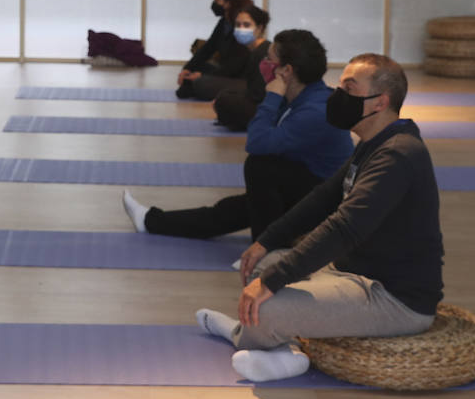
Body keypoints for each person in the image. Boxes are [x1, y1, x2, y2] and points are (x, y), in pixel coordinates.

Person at [196, 53, 443, 382]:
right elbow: (323, 198)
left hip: (393, 298)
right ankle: (272, 345)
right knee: (260, 263)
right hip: (353, 273)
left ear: (379, 102)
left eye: (349, 89)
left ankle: (276, 350)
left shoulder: (398, 153)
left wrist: (273, 281)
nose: (337, 97)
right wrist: (265, 241)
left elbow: (344, 227)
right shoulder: (373, 144)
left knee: (267, 301)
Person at [124, 29, 351, 241]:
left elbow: (257, 143)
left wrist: (271, 98)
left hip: (325, 202)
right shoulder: (300, 97)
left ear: (287, 71)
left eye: (269, 59)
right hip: (302, 186)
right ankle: (151, 221)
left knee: (260, 166)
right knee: (231, 210)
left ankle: (267, 248)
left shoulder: (315, 109)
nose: (264, 63)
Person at [176, 0, 254, 101]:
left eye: (217, 1)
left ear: (229, 2)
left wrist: (203, 76)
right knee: (192, 78)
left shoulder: (243, 26)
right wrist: (187, 69)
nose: (214, 4)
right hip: (224, 72)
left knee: (199, 83)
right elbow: (208, 48)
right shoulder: (224, 22)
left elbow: (235, 66)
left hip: (239, 78)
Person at [212, 5, 272, 132]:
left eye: (246, 25)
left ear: (260, 28)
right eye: (238, 25)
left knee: (224, 100)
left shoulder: (262, 53)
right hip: (262, 101)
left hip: (268, 109)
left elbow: (258, 95)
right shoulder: (255, 50)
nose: (241, 29)